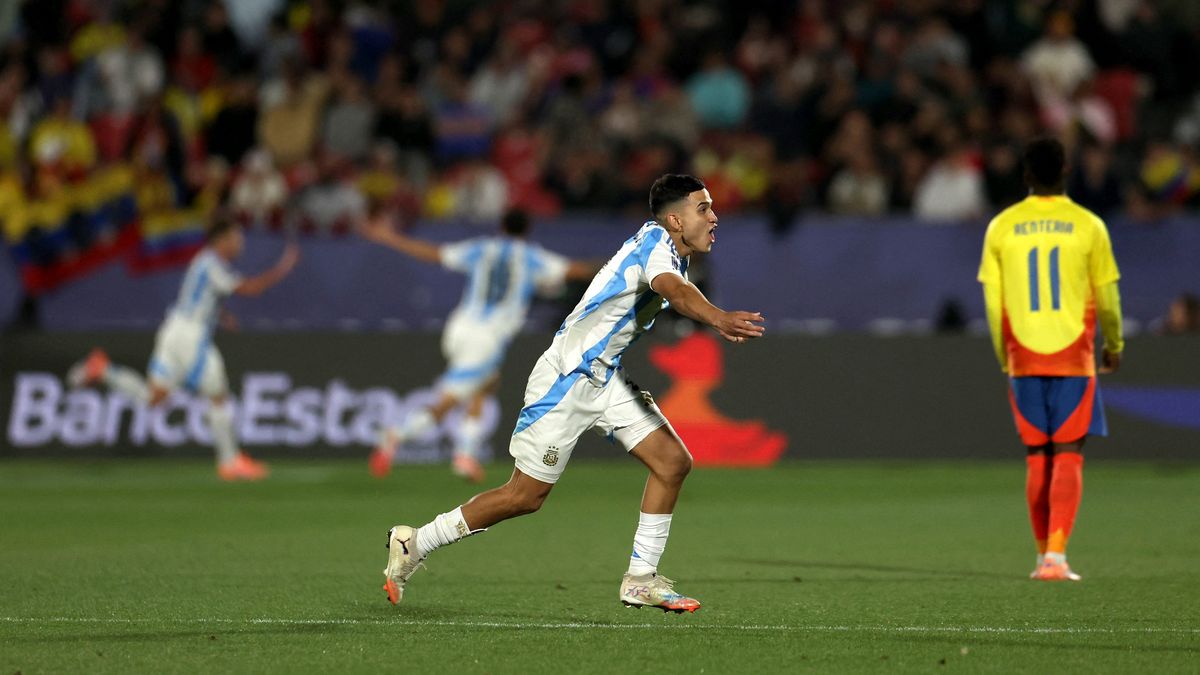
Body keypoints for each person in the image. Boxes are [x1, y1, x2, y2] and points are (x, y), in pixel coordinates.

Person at [378, 174, 765, 612]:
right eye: (703, 208)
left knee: (672, 462)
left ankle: (640, 579)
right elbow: (674, 293)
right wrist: (716, 317)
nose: (714, 218)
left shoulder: (670, 251)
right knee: (525, 496)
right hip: (567, 381)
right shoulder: (657, 245)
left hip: (603, 377)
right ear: (675, 219)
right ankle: (416, 542)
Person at [977, 138, 1124, 582]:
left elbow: (992, 301)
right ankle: (1057, 558)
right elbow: (1109, 298)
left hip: (1023, 356)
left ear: (1025, 175)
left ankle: (1042, 557)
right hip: (1073, 356)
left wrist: (1006, 355)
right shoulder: (1089, 225)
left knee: (1036, 456)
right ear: (1065, 171)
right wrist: (1113, 344)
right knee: (1068, 455)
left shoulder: (1002, 226)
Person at [359, 208, 596, 483]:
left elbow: (435, 254)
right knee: (447, 402)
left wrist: (390, 238)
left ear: (502, 226)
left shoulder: (482, 249)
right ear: (527, 230)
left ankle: (465, 456)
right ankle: (396, 435)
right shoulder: (532, 257)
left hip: (459, 327)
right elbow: (575, 271)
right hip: (486, 336)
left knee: (486, 385)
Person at [68, 217, 300, 481]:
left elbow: (198, 295)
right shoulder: (213, 264)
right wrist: (285, 266)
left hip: (173, 330)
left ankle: (103, 370)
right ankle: (231, 461)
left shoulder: (204, 262)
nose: (240, 243)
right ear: (222, 240)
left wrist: (221, 314)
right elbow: (251, 288)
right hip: (191, 336)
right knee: (218, 395)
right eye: (236, 238)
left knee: (153, 397)